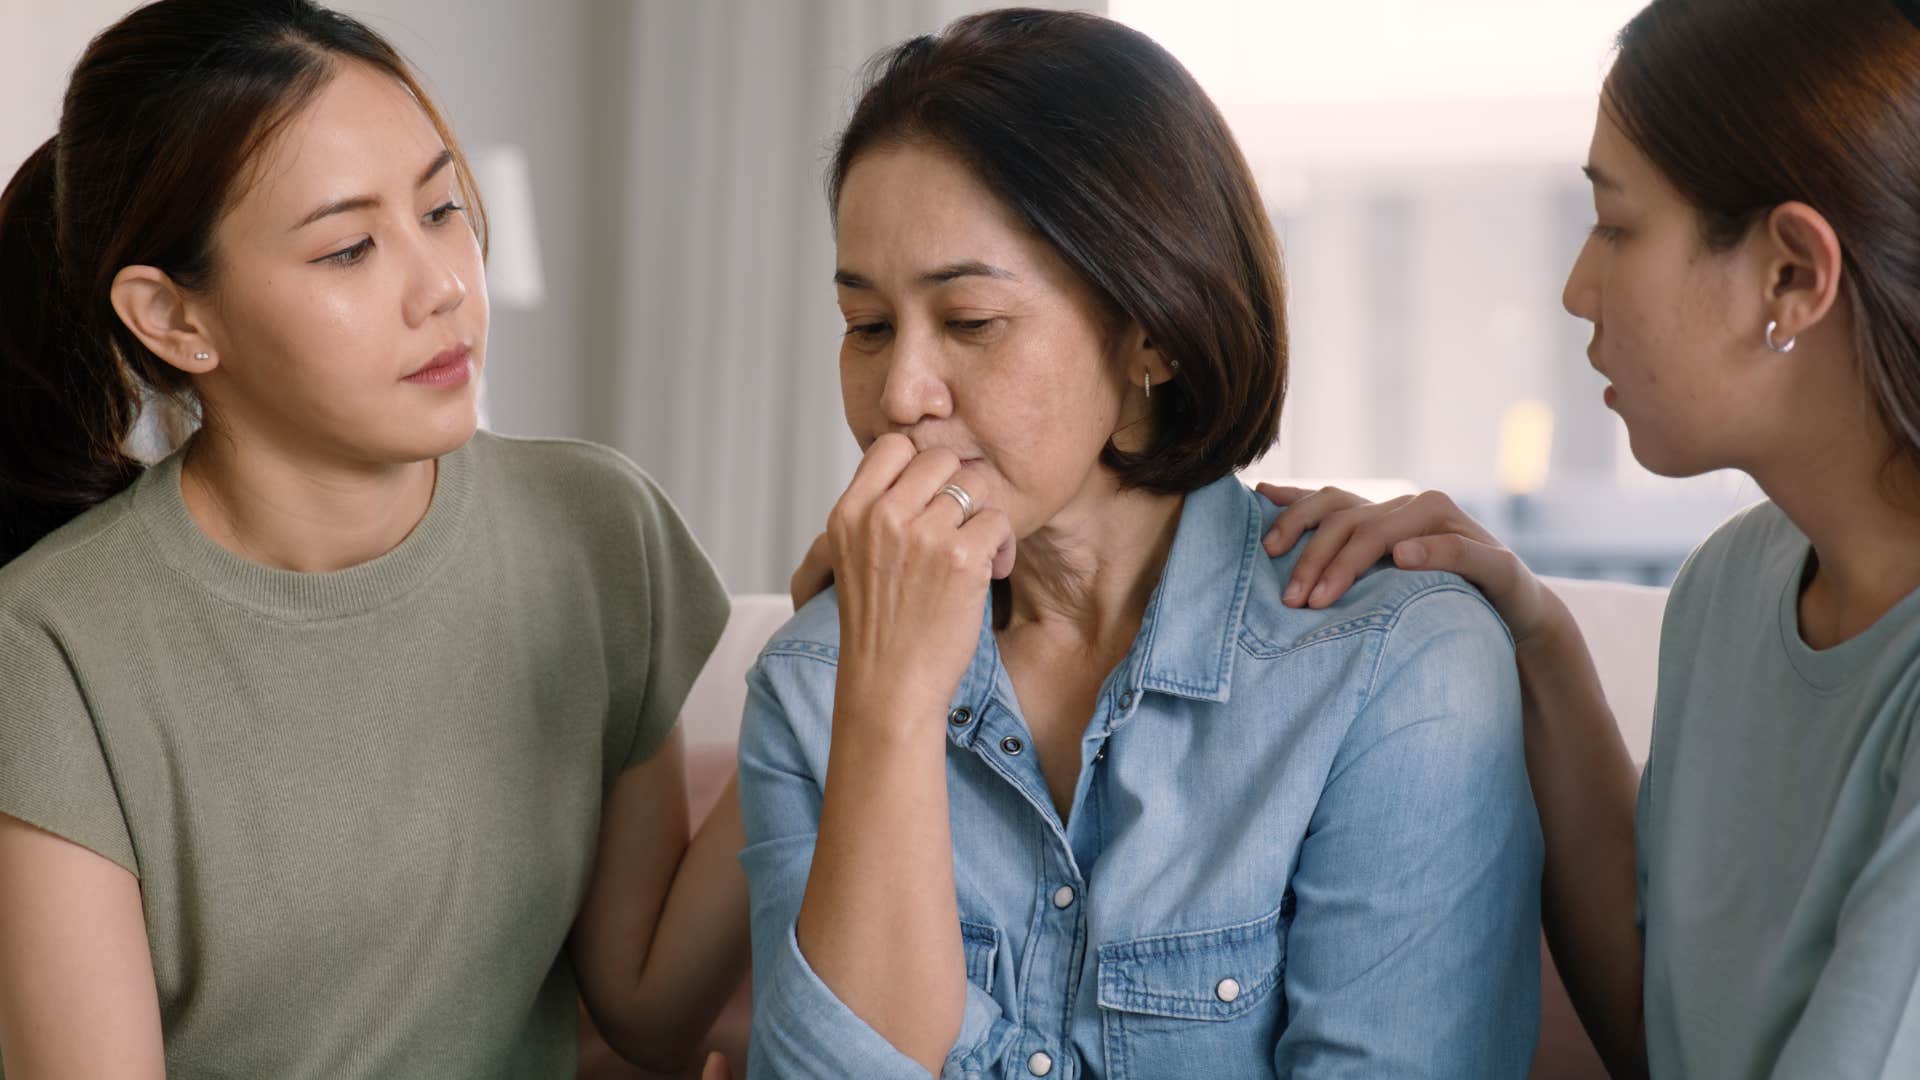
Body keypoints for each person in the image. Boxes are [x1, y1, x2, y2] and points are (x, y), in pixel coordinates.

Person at [741, 10, 1543, 1078]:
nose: (900, 395)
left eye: (971, 321)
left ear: (1150, 333)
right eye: (868, 326)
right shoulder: (817, 682)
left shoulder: (1396, 672)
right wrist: (886, 710)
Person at [0, 3, 744, 1076]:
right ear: (174, 319)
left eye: (442, 207)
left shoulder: (595, 531)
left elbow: (648, 1011)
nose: (444, 285)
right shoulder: (49, 649)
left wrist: (833, 682)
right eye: (349, 248)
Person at [1258, 0, 1920, 1076]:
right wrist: (1535, 632)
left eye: (1617, 227)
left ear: (1792, 275)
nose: (1576, 289)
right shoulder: (1734, 584)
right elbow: (1654, 1019)